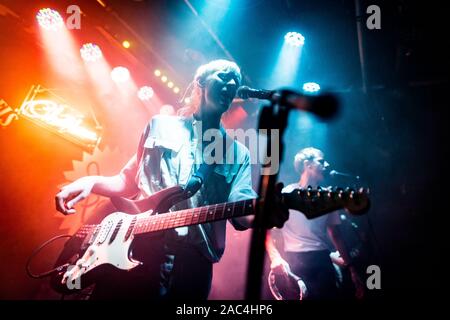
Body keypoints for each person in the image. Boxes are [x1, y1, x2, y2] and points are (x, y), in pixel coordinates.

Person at [55, 59, 288, 300]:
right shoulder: (159, 125)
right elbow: (127, 180)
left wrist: (263, 213)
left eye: (236, 81)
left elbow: (241, 207)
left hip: (193, 264)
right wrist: (88, 182)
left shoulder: (237, 152)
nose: (231, 83)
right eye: (224, 76)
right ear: (201, 82)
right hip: (137, 245)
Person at [266, 147, 365, 300]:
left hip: (322, 261)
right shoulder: (286, 194)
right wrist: (275, 258)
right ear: (308, 164)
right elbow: (265, 230)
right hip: (294, 263)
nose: (327, 165)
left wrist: (352, 269)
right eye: (321, 161)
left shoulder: (328, 197)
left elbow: (336, 235)